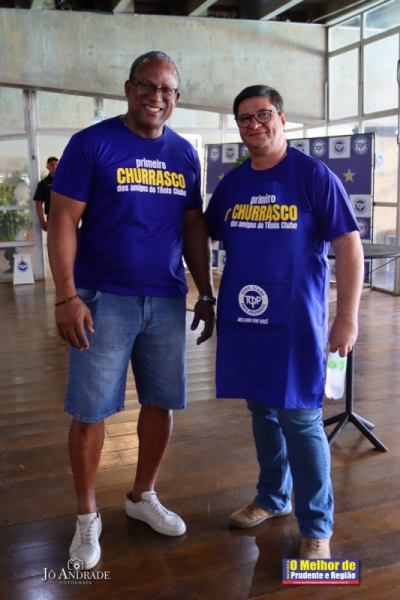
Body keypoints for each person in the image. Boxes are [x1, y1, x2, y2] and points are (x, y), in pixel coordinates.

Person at [47, 51, 215, 570]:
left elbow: (192, 227)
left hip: (165, 298)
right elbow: (62, 220)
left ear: (177, 97)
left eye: (166, 89)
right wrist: (66, 296)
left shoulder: (184, 153)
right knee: (90, 412)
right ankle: (86, 517)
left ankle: (143, 496)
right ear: (128, 88)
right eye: (146, 85)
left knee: (161, 403)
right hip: (102, 299)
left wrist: (205, 292)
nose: (155, 97)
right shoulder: (91, 143)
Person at [204, 85, 364, 559]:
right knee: (262, 412)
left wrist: (347, 318)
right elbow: (200, 232)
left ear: (282, 118)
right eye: (244, 118)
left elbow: (348, 246)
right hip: (246, 319)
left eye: (263, 114)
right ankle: (273, 497)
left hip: (297, 323)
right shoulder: (233, 183)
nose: (254, 124)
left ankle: (317, 526)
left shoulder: (313, 176)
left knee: (300, 418)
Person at [33, 156, 58, 231]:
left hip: (67, 216)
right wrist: (42, 222)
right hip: (52, 217)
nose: (54, 166)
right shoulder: (43, 183)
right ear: (47, 167)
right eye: (52, 164)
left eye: (56, 164)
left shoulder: (66, 181)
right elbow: (38, 204)